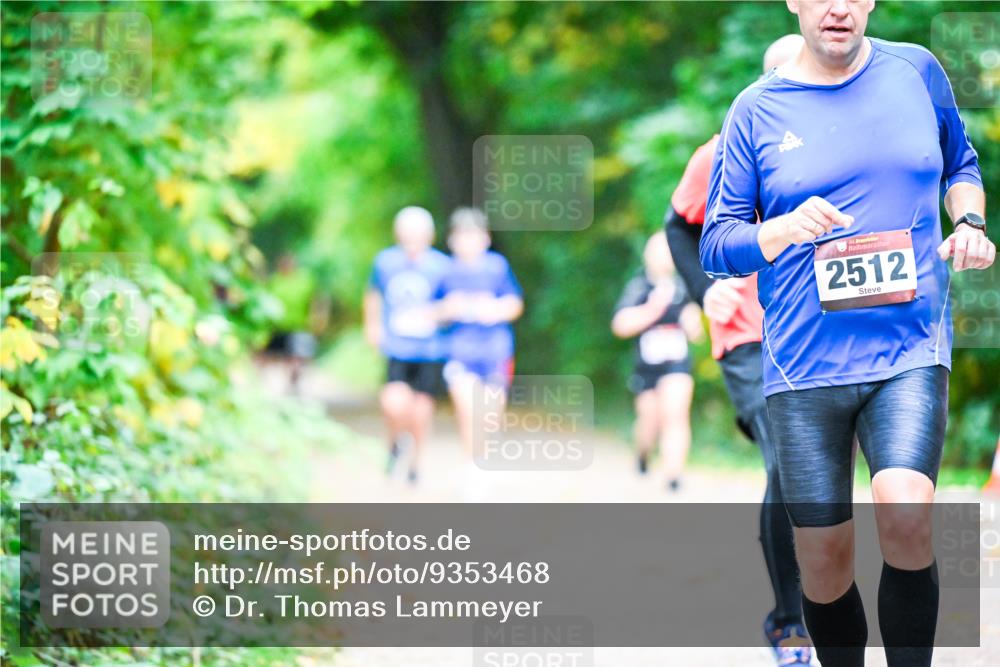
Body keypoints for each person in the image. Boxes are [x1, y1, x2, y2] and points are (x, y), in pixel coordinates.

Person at [701, 2, 995, 665]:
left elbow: (962, 166)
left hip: (908, 346)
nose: (837, 7)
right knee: (824, 558)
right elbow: (717, 242)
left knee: (906, 510)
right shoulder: (756, 109)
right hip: (805, 363)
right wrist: (780, 229)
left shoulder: (916, 72)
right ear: (794, 4)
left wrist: (970, 225)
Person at [665, 34, 813, 665]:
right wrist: (706, 291)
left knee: (814, 470)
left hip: (817, 330)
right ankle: (790, 623)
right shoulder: (721, 151)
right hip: (748, 331)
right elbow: (678, 224)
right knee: (787, 464)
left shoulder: (843, 145)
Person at [364, 206, 451, 484]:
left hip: (431, 348)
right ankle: (395, 442)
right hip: (397, 347)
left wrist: (436, 314)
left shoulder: (442, 266)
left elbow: (452, 303)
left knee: (422, 409)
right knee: (394, 403)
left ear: (430, 235)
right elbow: (373, 294)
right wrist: (373, 326)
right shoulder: (385, 262)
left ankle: (416, 464)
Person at [612, 232, 702, 492]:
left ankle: (673, 476)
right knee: (650, 418)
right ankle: (643, 453)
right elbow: (620, 325)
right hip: (646, 364)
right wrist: (652, 309)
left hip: (677, 361)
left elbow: (696, 328)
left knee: (675, 414)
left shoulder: (683, 285)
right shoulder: (639, 286)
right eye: (658, 251)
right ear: (648, 256)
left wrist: (692, 321)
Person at [439, 208, 523, 464]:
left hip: (495, 350)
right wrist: (447, 308)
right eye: (462, 235)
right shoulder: (444, 270)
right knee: (468, 411)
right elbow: (428, 313)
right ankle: (473, 468)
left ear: (486, 238)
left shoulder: (497, 267)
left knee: (489, 415)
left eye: (473, 235)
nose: (468, 241)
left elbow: (515, 304)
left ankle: (483, 458)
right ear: (451, 239)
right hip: (459, 351)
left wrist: (495, 309)